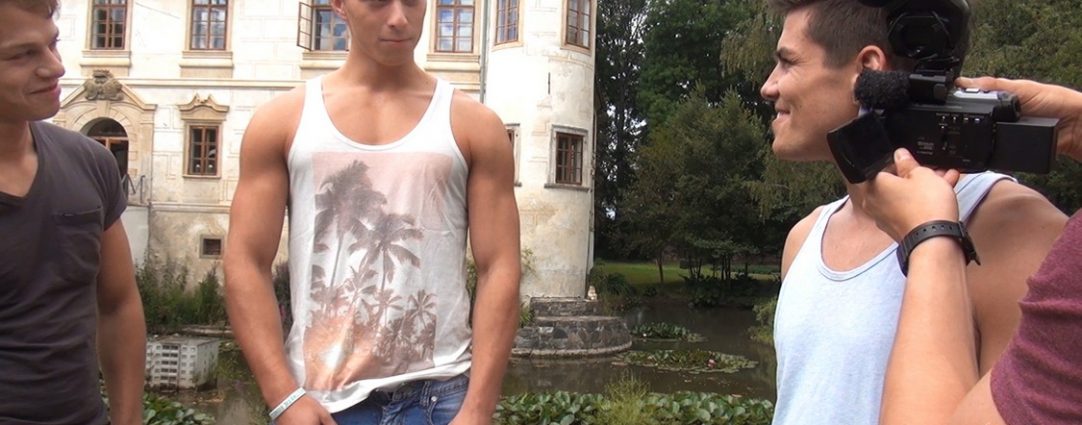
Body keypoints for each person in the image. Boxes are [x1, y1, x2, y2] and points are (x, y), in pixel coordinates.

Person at [758, 1, 1068, 424]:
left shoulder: (1017, 233)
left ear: (867, 69)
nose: (768, 86)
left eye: (787, 63)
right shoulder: (805, 238)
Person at [222, 0, 521, 423]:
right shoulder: (283, 122)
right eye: (379, 2)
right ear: (339, 4)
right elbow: (245, 261)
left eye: (412, 1)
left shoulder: (474, 125)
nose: (398, 18)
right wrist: (283, 396)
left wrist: (478, 408)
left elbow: (500, 267)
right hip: (322, 403)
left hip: (443, 399)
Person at [858, 77, 1082, 424]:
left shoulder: (1029, 234)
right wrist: (1077, 127)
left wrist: (930, 234)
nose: (772, 86)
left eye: (789, 63)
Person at [0, 1, 146, 424]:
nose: (56, 67)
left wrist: (127, 419)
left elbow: (118, 304)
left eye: (52, 44)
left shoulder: (90, 162)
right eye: (23, 54)